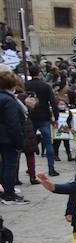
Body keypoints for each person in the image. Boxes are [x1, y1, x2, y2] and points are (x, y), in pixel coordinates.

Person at [25, 64, 61, 177]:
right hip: (44, 116)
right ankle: (51, 168)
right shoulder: (45, 86)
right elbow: (53, 103)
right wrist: (56, 117)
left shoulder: (26, 85)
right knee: (48, 142)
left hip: (30, 117)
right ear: (39, 73)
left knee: (29, 143)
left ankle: (30, 169)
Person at [0, 69, 26, 202]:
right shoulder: (9, 100)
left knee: (3, 165)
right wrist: (19, 143)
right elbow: (13, 123)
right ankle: (9, 192)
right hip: (7, 138)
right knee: (10, 165)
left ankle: (4, 190)